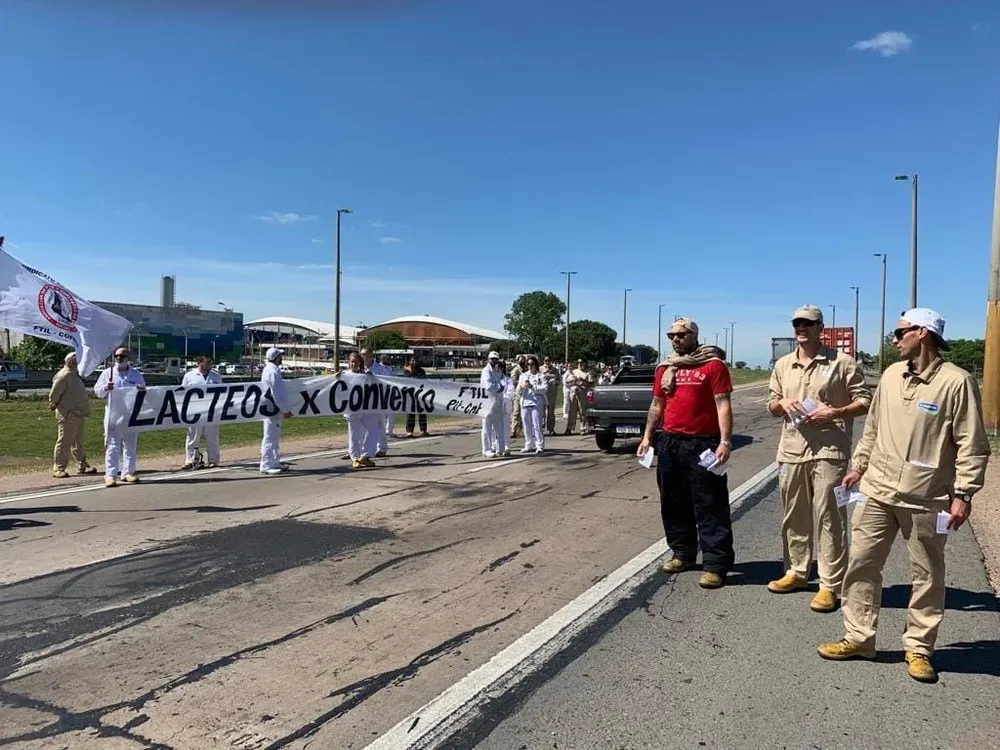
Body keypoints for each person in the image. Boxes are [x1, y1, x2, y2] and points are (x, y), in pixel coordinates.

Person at [818, 308, 990, 683]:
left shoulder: (956, 383)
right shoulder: (893, 376)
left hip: (926, 498)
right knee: (861, 563)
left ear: (923, 333)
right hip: (877, 490)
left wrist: (963, 493)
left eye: (900, 333)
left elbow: (971, 445)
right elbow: (873, 428)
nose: (894, 340)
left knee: (926, 575)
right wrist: (859, 466)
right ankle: (859, 637)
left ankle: (918, 648)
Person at [766, 305, 872, 612]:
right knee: (794, 517)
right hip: (792, 451)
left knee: (830, 518)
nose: (801, 328)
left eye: (808, 323)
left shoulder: (842, 362)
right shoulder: (783, 365)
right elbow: (771, 404)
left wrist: (835, 411)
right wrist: (782, 402)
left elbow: (865, 401)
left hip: (829, 451)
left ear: (820, 328)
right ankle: (797, 571)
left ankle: (830, 584)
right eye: (797, 323)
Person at [636, 318, 734, 589]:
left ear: (694, 335)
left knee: (709, 504)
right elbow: (657, 405)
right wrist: (647, 438)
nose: (676, 339)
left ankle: (716, 564)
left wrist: (724, 441)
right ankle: (683, 552)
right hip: (670, 443)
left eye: (682, 334)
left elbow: (723, 404)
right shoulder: (666, 369)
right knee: (673, 502)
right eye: (672, 335)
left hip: (702, 444)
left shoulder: (712, 365)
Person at [94, 347, 146, 487]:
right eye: (117, 356)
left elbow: (143, 392)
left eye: (122, 356)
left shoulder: (136, 375)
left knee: (130, 445)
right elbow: (97, 392)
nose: (119, 358)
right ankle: (111, 475)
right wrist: (106, 388)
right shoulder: (107, 373)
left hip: (130, 415)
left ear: (128, 357)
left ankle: (128, 472)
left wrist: (140, 391)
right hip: (113, 415)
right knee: (112, 445)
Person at [48, 352, 97, 478]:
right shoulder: (64, 375)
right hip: (68, 413)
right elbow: (54, 395)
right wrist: (54, 403)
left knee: (78, 442)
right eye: (78, 361)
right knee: (64, 441)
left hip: (78, 413)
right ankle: (58, 467)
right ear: (71, 362)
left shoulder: (74, 374)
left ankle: (82, 464)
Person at [181, 355, 223, 469]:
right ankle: (190, 460)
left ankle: (213, 460)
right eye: (207, 362)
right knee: (193, 436)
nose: (210, 364)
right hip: (194, 412)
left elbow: (223, 393)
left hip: (212, 412)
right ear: (200, 363)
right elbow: (182, 394)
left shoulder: (216, 376)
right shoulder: (189, 376)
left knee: (212, 437)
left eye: (211, 362)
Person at [260, 347, 293, 475]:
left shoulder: (272, 369)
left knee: (274, 435)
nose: (282, 358)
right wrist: (285, 409)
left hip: (273, 407)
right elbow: (277, 393)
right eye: (280, 356)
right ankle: (266, 464)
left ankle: (274, 461)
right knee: (270, 436)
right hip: (271, 407)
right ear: (275, 358)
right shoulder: (272, 371)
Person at [344, 352, 375, 468]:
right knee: (354, 435)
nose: (354, 364)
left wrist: (372, 377)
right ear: (348, 363)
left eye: (356, 361)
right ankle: (354, 458)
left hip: (365, 409)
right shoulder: (344, 375)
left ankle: (365, 455)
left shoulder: (366, 375)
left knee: (373, 430)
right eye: (352, 361)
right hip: (352, 410)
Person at [361, 348, 387, 458]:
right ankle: (361, 449)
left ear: (371, 356)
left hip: (378, 400)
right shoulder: (359, 368)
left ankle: (381, 448)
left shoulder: (380, 368)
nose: (363, 357)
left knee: (380, 424)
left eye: (365, 354)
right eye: (361, 354)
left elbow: (387, 381)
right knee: (362, 426)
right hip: (363, 401)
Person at [518, 355, 548, 454]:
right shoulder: (523, 376)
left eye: (532, 364)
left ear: (536, 365)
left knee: (537, 425)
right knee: (527, 426)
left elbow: (545, 388)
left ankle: (539, 445)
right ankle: (529, 444)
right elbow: (518, 390)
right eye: (528, 364)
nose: (530, 366)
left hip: (536, 403)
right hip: (525, 402)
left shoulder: (540, 376)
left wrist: (533, 386)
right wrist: (522, 387)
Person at [480, 351, 507, 458]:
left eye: (496, 359)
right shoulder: (486, 371)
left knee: (498, 427)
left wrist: (501, 386)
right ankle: (486, 449)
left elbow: (503, 383)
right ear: (488, 359)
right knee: (487, 428)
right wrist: (499, 387)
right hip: (487, 403)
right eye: (492, 359)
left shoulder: (497, 371)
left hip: (497, 403)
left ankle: (500, 448)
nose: (494, 361)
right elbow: (488, 386)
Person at [403, 356, 430, 437]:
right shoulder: (406, 371)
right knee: (410, 413)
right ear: (410, 361)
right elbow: (407, 379)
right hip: (410, 395)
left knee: (422, 412)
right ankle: (409, 431)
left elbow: (422, 379)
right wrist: (410, 372)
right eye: (412, 360)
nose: (414, 362)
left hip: (420, 395)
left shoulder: (421, 371)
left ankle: (423, 430)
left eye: (415, 360)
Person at [375, 353, 397, 440]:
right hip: (380, 393)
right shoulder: (377, 368)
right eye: (387, 359)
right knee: (382, 414)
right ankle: (382, 431)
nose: (389, 361)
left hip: (390, 392)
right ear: (383, 359)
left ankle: (389, 431)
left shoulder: (390, 369)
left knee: (391, 413)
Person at [540, 356, 560, 436]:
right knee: (541, 412)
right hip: (542, 393)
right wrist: (544, 373)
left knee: (551, 412)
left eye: (549, 360)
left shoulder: (555, 370)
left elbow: (559, 380)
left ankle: (551, 429)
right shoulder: (540, 369)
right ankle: (541, 429)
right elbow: (537, 379)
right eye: (546, 360)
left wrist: (556, 382)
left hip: (552, 393)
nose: (547, 362)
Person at [509, 355, 526, 439]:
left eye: (523, 361)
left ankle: (520, 430)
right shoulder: (515, 370)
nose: (522, 363)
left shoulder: (527, 370)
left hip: (526, 395)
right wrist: (521, 383)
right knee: (516, 412)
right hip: (517, 394)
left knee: (523, 413)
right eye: (520, 361)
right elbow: (513, 381)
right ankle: (513, 430)